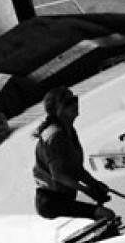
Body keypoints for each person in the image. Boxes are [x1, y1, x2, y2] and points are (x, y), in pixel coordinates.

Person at [32, 86, 112, 222]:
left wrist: (94, 184)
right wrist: (87, 190)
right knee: (106, 214)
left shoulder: (68, 130)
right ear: (57, 111)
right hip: (51, 201)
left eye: (74, 99)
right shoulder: (55, 137)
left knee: (102, 214)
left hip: (63, 196)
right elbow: (58, 175)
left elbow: (76, 170)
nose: (75, 104)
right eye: (68, 103)